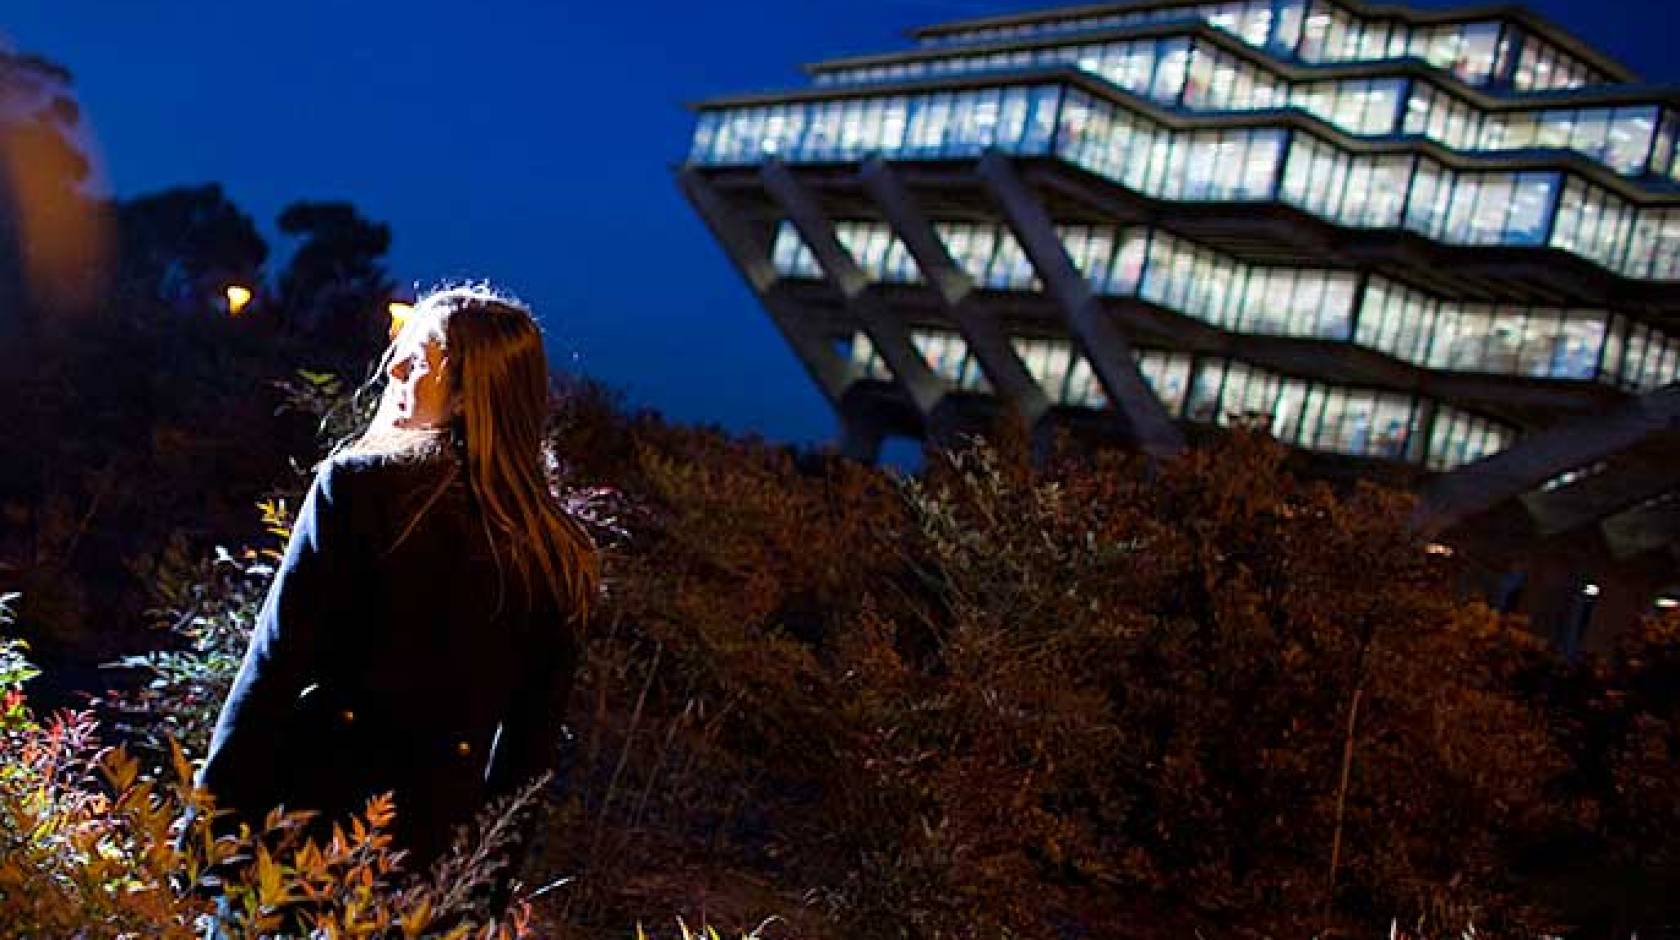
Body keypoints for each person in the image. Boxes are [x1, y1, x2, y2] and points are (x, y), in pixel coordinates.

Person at [194, 285, 600, 890]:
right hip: (431, 860)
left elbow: (270, 675)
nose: (394, 367)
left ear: (469, 394)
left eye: (422, 356)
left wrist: (205, 838)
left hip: (303, 832)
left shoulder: (357, 487)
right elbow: (526, 763)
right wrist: (476, 894)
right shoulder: (559, 551)